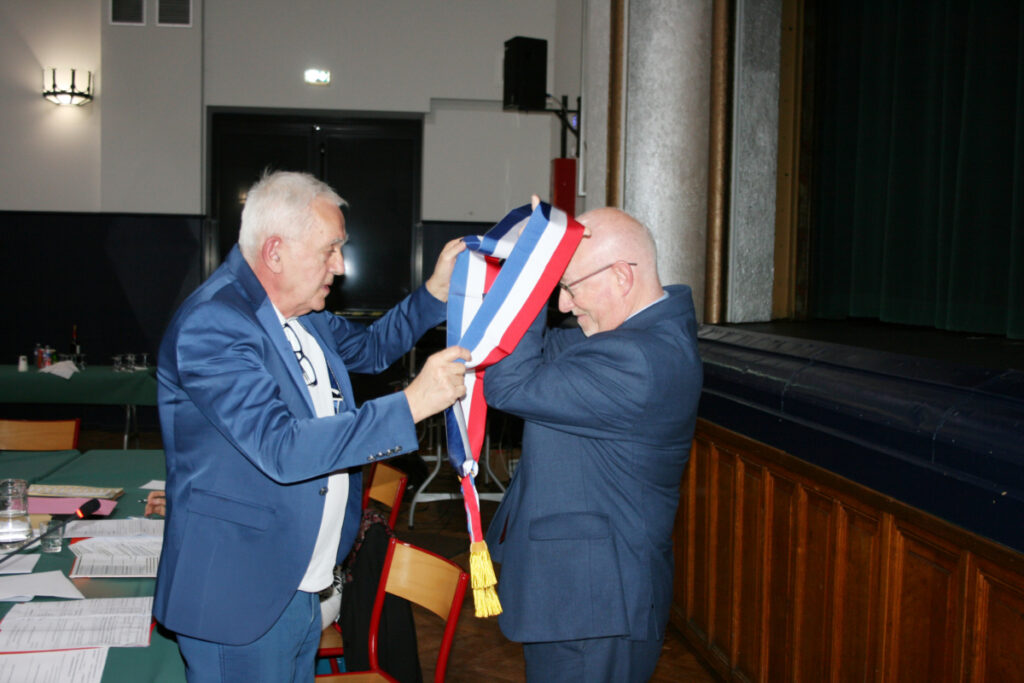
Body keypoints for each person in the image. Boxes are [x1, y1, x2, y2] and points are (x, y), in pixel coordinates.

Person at [152, 170, 469, 682]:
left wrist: (435, 292)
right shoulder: (215, 322)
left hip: (298, 580)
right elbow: (281, 447)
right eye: (329, 250)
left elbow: (371, 348)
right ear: (275, 252)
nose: (340, 266)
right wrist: (410, 405)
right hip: (242, 594)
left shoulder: (300, 312)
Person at [482, 206, 703, 682]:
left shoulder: (638, 358)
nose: (563, 304)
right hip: (583, 596)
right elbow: (531, 355)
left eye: (569, 286)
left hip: (594, 605)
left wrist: (530, 270)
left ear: (622, 275)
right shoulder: (635, 333)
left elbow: (509, 385)